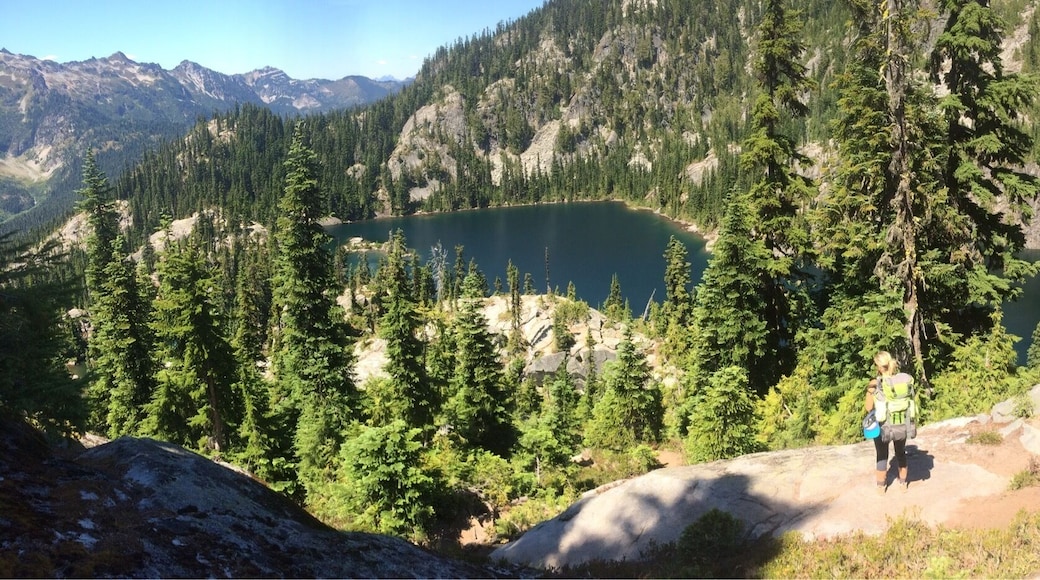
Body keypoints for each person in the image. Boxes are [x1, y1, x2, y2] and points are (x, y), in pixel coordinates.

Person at [865, 351, 909, 494]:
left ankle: (881, 487)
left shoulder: (874, 383)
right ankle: (903, 484)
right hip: (900, 423)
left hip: (883, 425)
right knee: (900, 453)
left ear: (878, 366)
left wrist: (870, 392)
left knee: (882, 454)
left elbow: (868, 407)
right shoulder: (901, 381)